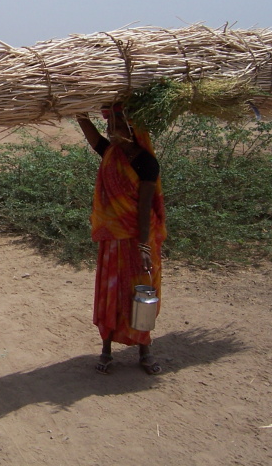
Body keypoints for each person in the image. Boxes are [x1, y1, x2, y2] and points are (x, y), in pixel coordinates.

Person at [76, 103, 167, 375]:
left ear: (131, 129)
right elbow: (93, 138)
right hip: (113, 240)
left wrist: (143, 246)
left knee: (141, 293)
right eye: (109, 125)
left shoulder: (146, 162)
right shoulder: (110, 154)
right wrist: (79, 111)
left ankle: (145, 348)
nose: (110, 130)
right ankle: (106, 349)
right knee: (111, 292)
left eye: (116, 125)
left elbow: (144, 207)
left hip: (139, 238)